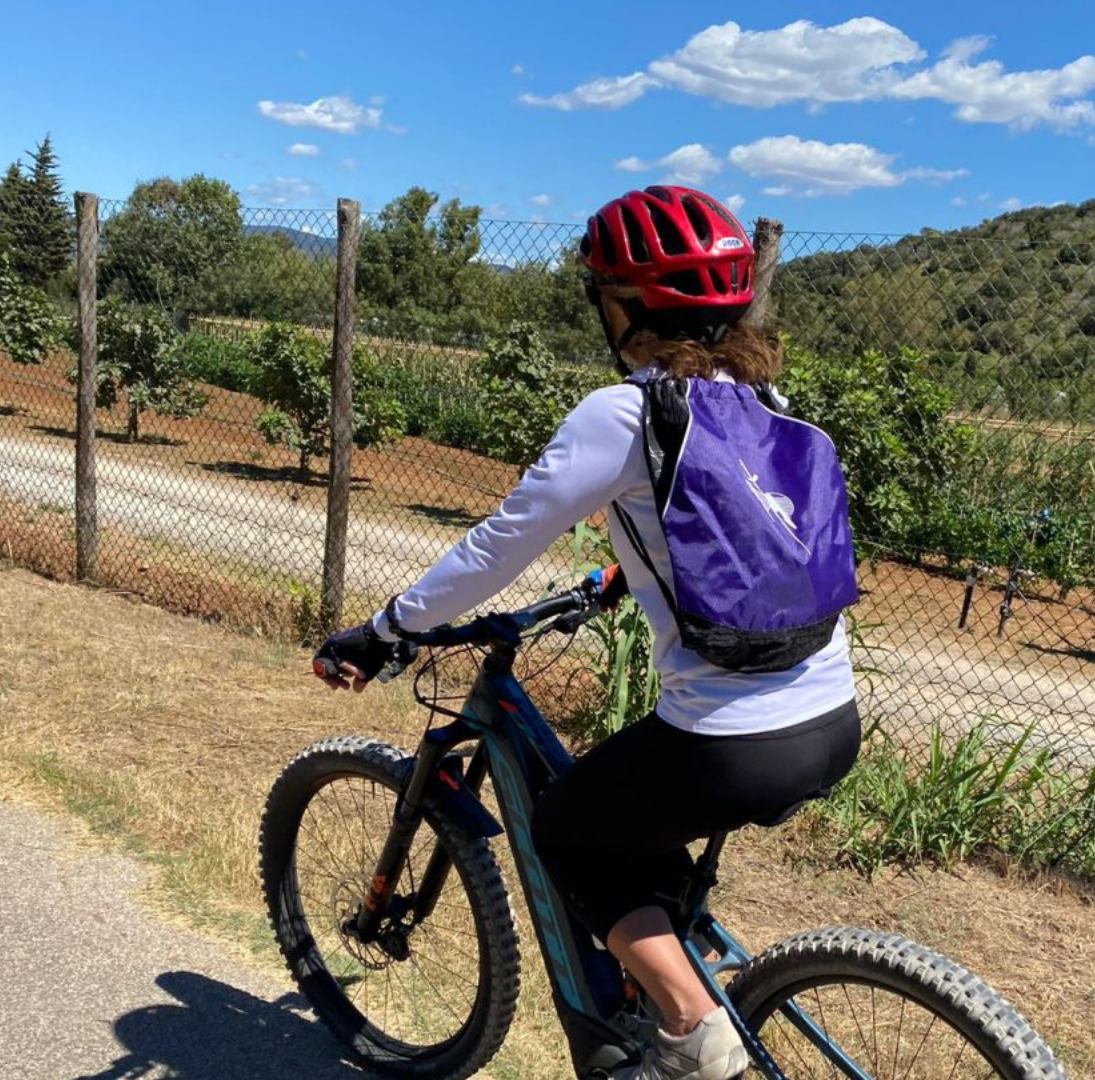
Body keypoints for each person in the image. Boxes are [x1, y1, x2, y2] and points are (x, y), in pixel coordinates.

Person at [312, 185, 860, 1080]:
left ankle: (693, 1035)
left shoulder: (625, 412)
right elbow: (750, 538)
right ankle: (665, 987)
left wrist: (387, 630)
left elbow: (499, 545)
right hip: (832, 719)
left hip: (732, 741)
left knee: (566, 831)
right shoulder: (766, 402)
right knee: (633, 821)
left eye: (605, 294)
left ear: (631, 307)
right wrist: (623, 573)